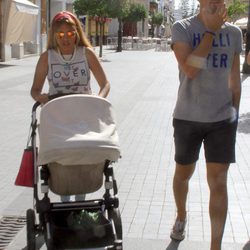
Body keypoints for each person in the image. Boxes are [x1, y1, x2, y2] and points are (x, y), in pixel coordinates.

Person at [170, 0, 242, 250]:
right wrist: (210, 31)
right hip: (188, 117)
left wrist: (234, 111)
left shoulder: (234, 33)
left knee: (219, 181)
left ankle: (215, 246)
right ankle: (181, 215)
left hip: (222, 120)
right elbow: (190, 69)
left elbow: (235, 77)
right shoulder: (182, 28)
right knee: (183, 174)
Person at [30, 11, 110, 202]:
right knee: (62, 157)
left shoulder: (87, 54)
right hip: (58, 116)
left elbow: (105, 84)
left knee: (82, 154)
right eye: (60, 34)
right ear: (54, 36)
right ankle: (64, 202)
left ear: (76, 33)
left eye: (69, 33)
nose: (65, 38)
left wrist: (98, 99)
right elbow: (34, 89)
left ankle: (80, 202)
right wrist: (40, 97)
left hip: (84, 114)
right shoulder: (47, 58)